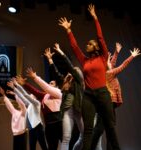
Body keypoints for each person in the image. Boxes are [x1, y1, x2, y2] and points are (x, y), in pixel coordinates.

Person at [58, 3, 121, 150]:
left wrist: (95, 18)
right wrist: (68, 31)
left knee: (110, 127)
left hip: (103, 94)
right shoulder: (84, 60)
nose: (86, 45)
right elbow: (75, 47)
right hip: (88, 96)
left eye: (89, 44)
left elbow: (100, 37)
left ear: (96, 47)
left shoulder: (103, 56)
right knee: (87, 130)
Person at [93, 43, 141, 150]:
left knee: (109, 128)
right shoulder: (109, 73)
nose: (111, 62)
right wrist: (132, 56)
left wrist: (116, 52)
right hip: (108, 103)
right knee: (104, 128)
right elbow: (122, 66)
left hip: (110, 103)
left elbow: (113, 64)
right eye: (108, 62)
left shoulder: (108, 71)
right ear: (106, 66)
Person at [44, 43, 85, 150]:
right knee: (66, 138)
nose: (71, 73)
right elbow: (55, 72)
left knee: (85, 134)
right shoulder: (65, 82)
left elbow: (70, 66)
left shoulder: (79, 82)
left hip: (78, 109)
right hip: (67, 111)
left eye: (74, 72)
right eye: (71, 72)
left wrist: (61, 52)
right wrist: (50, 59)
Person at [19, 67, 63, 150]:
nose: (50, 84)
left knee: (65, 145)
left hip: (58, 123)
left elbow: (47, 88)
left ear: (56, 87)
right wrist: (25, 84)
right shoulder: (44, 96)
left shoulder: (58, 93)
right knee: (51, 147)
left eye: (52, 83)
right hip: (49, 125)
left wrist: (35, 77)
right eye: (49, 83)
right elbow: (35, 91)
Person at [7, 78, 48, 150]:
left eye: (31, 95)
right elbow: (22, 96)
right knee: (32, 148)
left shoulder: (37, 103)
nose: (30, 95)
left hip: (38, 127)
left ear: (34, 97)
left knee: (44, 147)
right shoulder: (29, 105)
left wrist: (16, 85)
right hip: (31, 129)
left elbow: (25, 95)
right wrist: (14, 88)